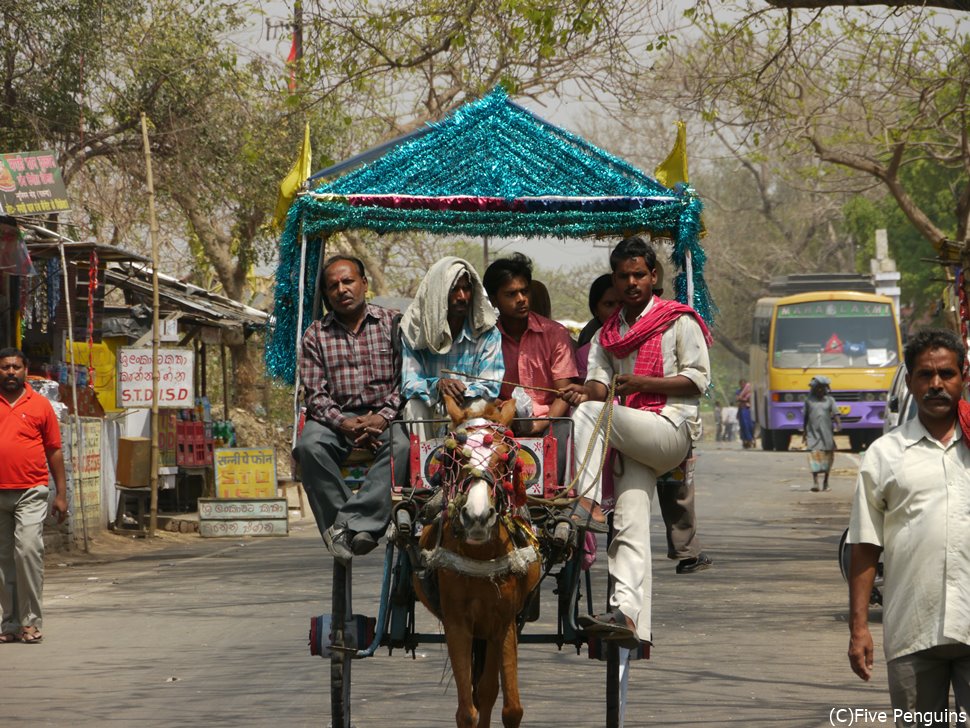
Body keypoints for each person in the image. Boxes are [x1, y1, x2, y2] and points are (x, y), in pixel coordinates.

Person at [560, 236, 712, 646]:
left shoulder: (679, 320)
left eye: (639, 275)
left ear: (653, 276)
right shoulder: (607, 335)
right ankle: (628, 618)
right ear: (615, 278)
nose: (631, 283)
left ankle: (587, 500)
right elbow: (596, 386)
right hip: (632, 437)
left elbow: (698, 382)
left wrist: (642, 383)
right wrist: (580, 393)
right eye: (624, 276)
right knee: (628, 524)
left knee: (591, 415)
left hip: (669, 430)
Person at [848, 328, 970, 724]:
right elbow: (865, 546)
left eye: (947, 374)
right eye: (925, 375)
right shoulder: (884, 455)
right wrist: (859, 628)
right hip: (912, 631)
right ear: (910, 380)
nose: (936, 384)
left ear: (963, 376)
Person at [293, 256, 405, 563]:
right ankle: (352, 528)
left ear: (364, 284)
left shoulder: (392, 323)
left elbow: (405, 382)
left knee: (403, 447)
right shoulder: (316, 334)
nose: (342, 290)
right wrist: (344, 424)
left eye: (348, 281)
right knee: (308, 448)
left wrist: (382, 418)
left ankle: (350, 525)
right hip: (334, 422)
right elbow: (315, 395)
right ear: (327, 295)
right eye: (333, 286)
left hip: (385, 417)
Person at [483, 254, 577, 480]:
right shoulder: (487, 339)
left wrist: (539, 425)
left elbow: (563, 393)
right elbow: (485, 392)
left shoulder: (555, 334)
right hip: (502, 421)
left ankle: (553, 500)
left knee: (564, 429)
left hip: (549, 421)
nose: (521, 299)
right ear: (494, 300)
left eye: (524, 291)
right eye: (511, 294)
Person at [0, 347, 68, 644]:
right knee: (3, 562)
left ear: (26, 369)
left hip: (31, 490)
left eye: (15, 367)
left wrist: (61, 494)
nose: (11, 372)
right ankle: (10, 623)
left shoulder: (40, 406)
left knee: (27, 552)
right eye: (5, 368)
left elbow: (54, 450)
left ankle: (31, 621)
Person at [400, 257, 504, 439]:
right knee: (413, 407)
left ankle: (473, 466)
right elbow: (409, 383)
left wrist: (460, 391)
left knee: (479, 404)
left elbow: (491, 385)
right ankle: (423, 466)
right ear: (438, 293)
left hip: (467, 410)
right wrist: (438, 385)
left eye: (466, 289)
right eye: (454, 289)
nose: (462, 297)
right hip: (431, 407)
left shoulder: (487, 332)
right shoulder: (414, 330)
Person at [576, 274, 623, 380]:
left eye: (622, 303)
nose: (617, 310)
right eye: (609, 304)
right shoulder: (585, 354)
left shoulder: (646, 340)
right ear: (595, 310)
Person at [802, 375, 841, 492]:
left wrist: (839, 424)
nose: (820, 390)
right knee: (813, 454)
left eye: (822, 388)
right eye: (818, 388)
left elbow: (836, 414)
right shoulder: (808, 400)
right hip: (812, 433)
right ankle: (815, 482)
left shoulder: (830, 400)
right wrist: (804, 431)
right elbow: (805, 417)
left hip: (827, 433)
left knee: (827, 456)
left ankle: (826, 482)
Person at [736, 378, 755, 448]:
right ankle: (745, 440)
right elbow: (738, 399)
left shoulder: (750, 391)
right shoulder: (738, 391)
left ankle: (751, 439)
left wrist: (743, 399)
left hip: (749, 410)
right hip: (742, 410)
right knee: (744, 426)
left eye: (744, 384)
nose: (742, 385)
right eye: (741, 384)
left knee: (750, 426)